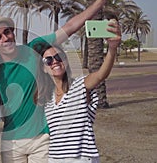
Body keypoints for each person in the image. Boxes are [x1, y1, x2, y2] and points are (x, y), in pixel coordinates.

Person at [0, 0, 107, 162]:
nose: (5, 38)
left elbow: (70, 27)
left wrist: (100, 0)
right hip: (11, 142)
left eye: (7, 32)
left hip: (42, 139)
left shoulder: (34, 49)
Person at [34, 20, 121, 163]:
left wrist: (112, 48)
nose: (54, 62)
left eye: (58, 57)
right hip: (54, 159)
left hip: (80, 159)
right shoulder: (47, 99)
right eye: (48, 60)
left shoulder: (80, 85)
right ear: (44, 68)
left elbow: (100, 75)